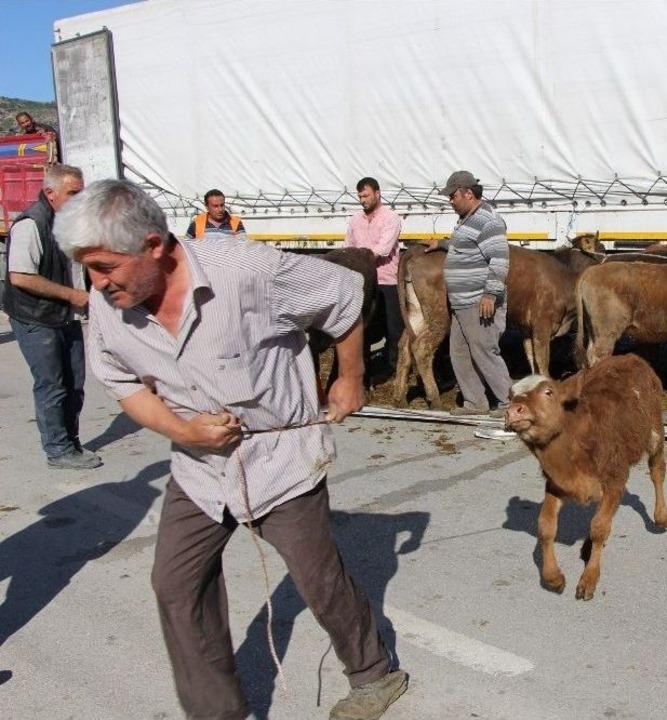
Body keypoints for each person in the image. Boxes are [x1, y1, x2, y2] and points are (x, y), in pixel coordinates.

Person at [54, 179, 407, 720]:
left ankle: (374, 674)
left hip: (279, 463)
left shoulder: (246, 271)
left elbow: (343, 294)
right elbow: (124, 385)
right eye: (87, 270)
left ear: (154, 246)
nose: (96, 285)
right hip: (198, 470)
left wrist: (351, 375)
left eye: (105, 268)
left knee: (318, 579)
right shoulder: (108, 306)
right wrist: (184, 432)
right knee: (176, 583)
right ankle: (217, 713)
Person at [3, 164, 100, 469]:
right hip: (36, 317)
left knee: (75, 383)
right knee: (52, 384)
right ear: (50, 193)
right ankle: (58, 450)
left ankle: (70, 442)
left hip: (66, 315)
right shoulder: (31, 224)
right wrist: (73, 296)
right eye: (73, 192)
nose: (79, 198)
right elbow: (20, 277)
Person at [426, 170, 511, 416]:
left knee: (485, 351)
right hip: (463, 303)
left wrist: (490, 294)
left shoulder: (489, 220)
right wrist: (442, 244)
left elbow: (499, 259)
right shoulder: (467, 220)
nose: (450, 201)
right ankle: (475, 402)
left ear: (468, 193)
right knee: (459, 353)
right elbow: (466, 245)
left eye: (453, 196)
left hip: (478, 301)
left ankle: (509, 403)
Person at [345, 176, 404, 375]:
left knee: (393, 328)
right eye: (360, 196)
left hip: (386, 280)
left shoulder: (391, 218)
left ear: (377, 194)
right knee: (366, 327)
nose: (363, 200)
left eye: (366, 195)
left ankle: (395, 369)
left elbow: (384, 248)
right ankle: (367, 370)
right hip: (363, 283)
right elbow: (348, 247)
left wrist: (358, 260)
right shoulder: (354, 220)